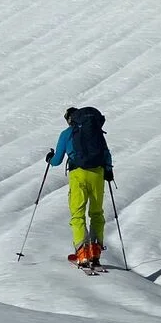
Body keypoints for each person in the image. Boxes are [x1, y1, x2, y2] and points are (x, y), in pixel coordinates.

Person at [46, 106, 114, 268]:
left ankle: (82, 253)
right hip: (97, 173)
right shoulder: (96, 132)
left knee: (78, 214)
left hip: (78, 174)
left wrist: (49, 158)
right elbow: (106, 154)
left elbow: (56, 161)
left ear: (70, 119)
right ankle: (95, 252)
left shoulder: (67, 134)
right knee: (97, 213)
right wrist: (109, 171)